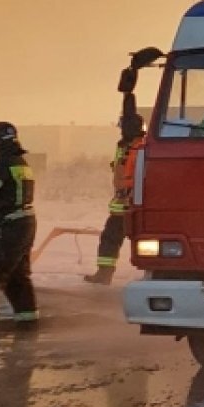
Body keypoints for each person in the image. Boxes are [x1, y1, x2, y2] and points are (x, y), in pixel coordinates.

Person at [0, 122, 38, 334]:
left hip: (8, 226)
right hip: (24, 224)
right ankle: (27, 323)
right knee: (16, 276)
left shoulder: (1, 165)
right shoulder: (20, 163)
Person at [84, 114, 146, 285]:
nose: (120, 130)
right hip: (123, 203)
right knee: (110, 238)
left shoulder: (140, 146)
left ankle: (105, 274)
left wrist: (130, 194)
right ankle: (104, 273)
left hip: (132, 203)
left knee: (115, 238)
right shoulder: (126, 146)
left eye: (122, 127)